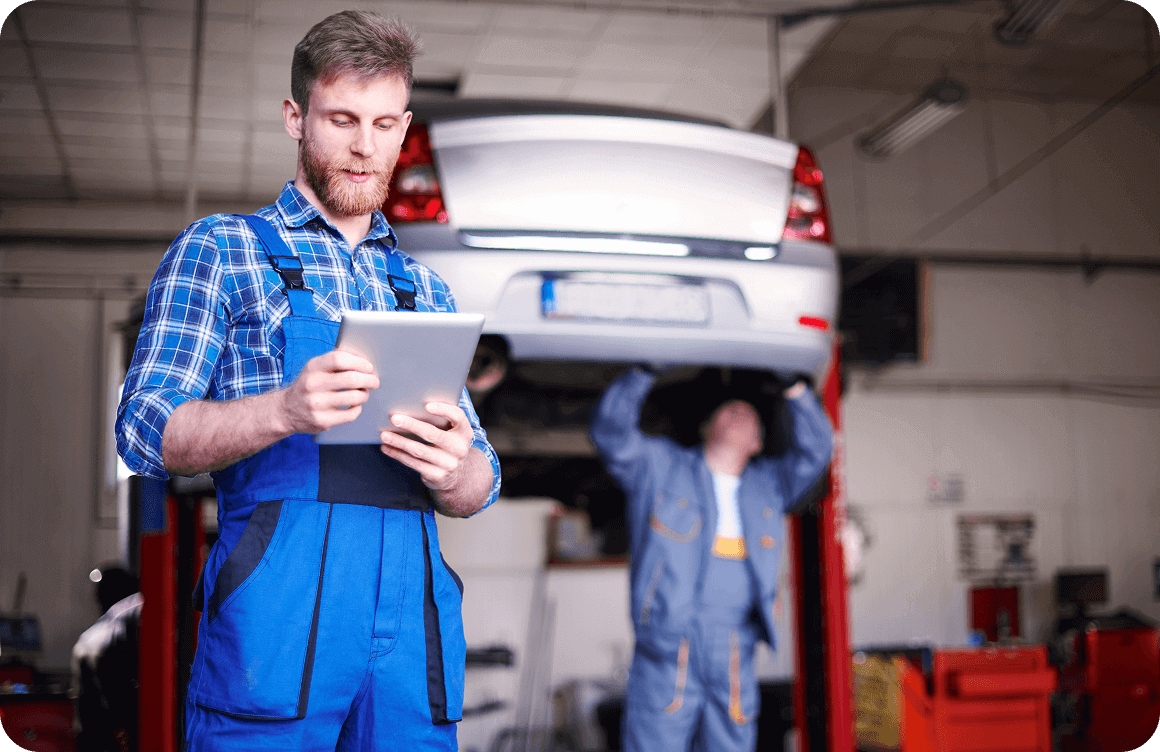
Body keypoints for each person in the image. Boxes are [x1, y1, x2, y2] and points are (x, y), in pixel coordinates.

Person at [115, 10, 500, 750]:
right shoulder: (224, 251)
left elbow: (481, 484)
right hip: (276, 636)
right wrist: (282, 411)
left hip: (409, 650)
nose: (365, 147)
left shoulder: (427, 290)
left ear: (405, 125)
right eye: (342, 119)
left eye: (385, 124)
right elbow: (142, 431)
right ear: (296, 118)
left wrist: (457, 471)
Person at [590, 367, 833, 752]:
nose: (739, 411)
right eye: (728, 409)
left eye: (750, 414)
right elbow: (612, 435)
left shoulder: (770, 485)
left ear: (757, 443)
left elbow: (817, 452)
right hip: (669, 641)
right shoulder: (660, 467)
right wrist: (642, 372)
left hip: (736, 643)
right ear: (706, 428)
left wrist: (797, 391)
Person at [70, 565, 142, 752]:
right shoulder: (121, 631)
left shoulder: (92, 638)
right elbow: (117, 699)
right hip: (112, 735)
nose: (97, 597)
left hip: (95, 735)